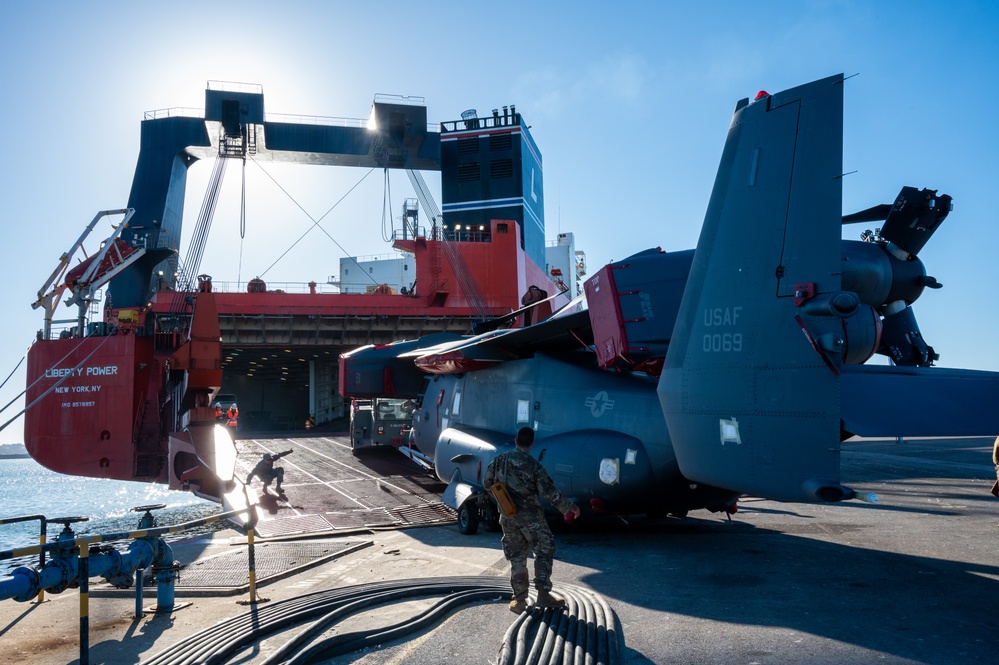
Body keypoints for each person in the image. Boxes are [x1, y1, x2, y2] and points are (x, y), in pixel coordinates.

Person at [483, 427, 580, 614]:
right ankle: (543, 595)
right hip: (532, 520)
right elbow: (550, 493)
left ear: (515, 440)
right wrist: (570, 507)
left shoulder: (500, 461)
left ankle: (519, 600)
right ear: (532, 443)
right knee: (544, 550)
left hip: (508, 517)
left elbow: (487, 482)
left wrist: (504, 498)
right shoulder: (534, 466)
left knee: (517, 557)